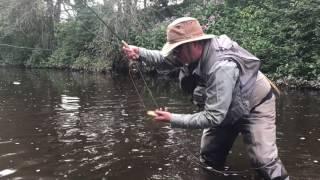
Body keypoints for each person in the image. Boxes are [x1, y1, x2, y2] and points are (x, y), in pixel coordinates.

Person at [122, 17, 289, 180]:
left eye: (177, 49)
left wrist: (173, 118)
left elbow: (213, 117)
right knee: (209, 157)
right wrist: (140, 53)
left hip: (255, 105)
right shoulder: (187, 53)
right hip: (224, 106)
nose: (175, 53)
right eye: (174, 49)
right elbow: (165, 60)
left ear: (195, 43)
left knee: (263, 161)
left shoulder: (221, 67)